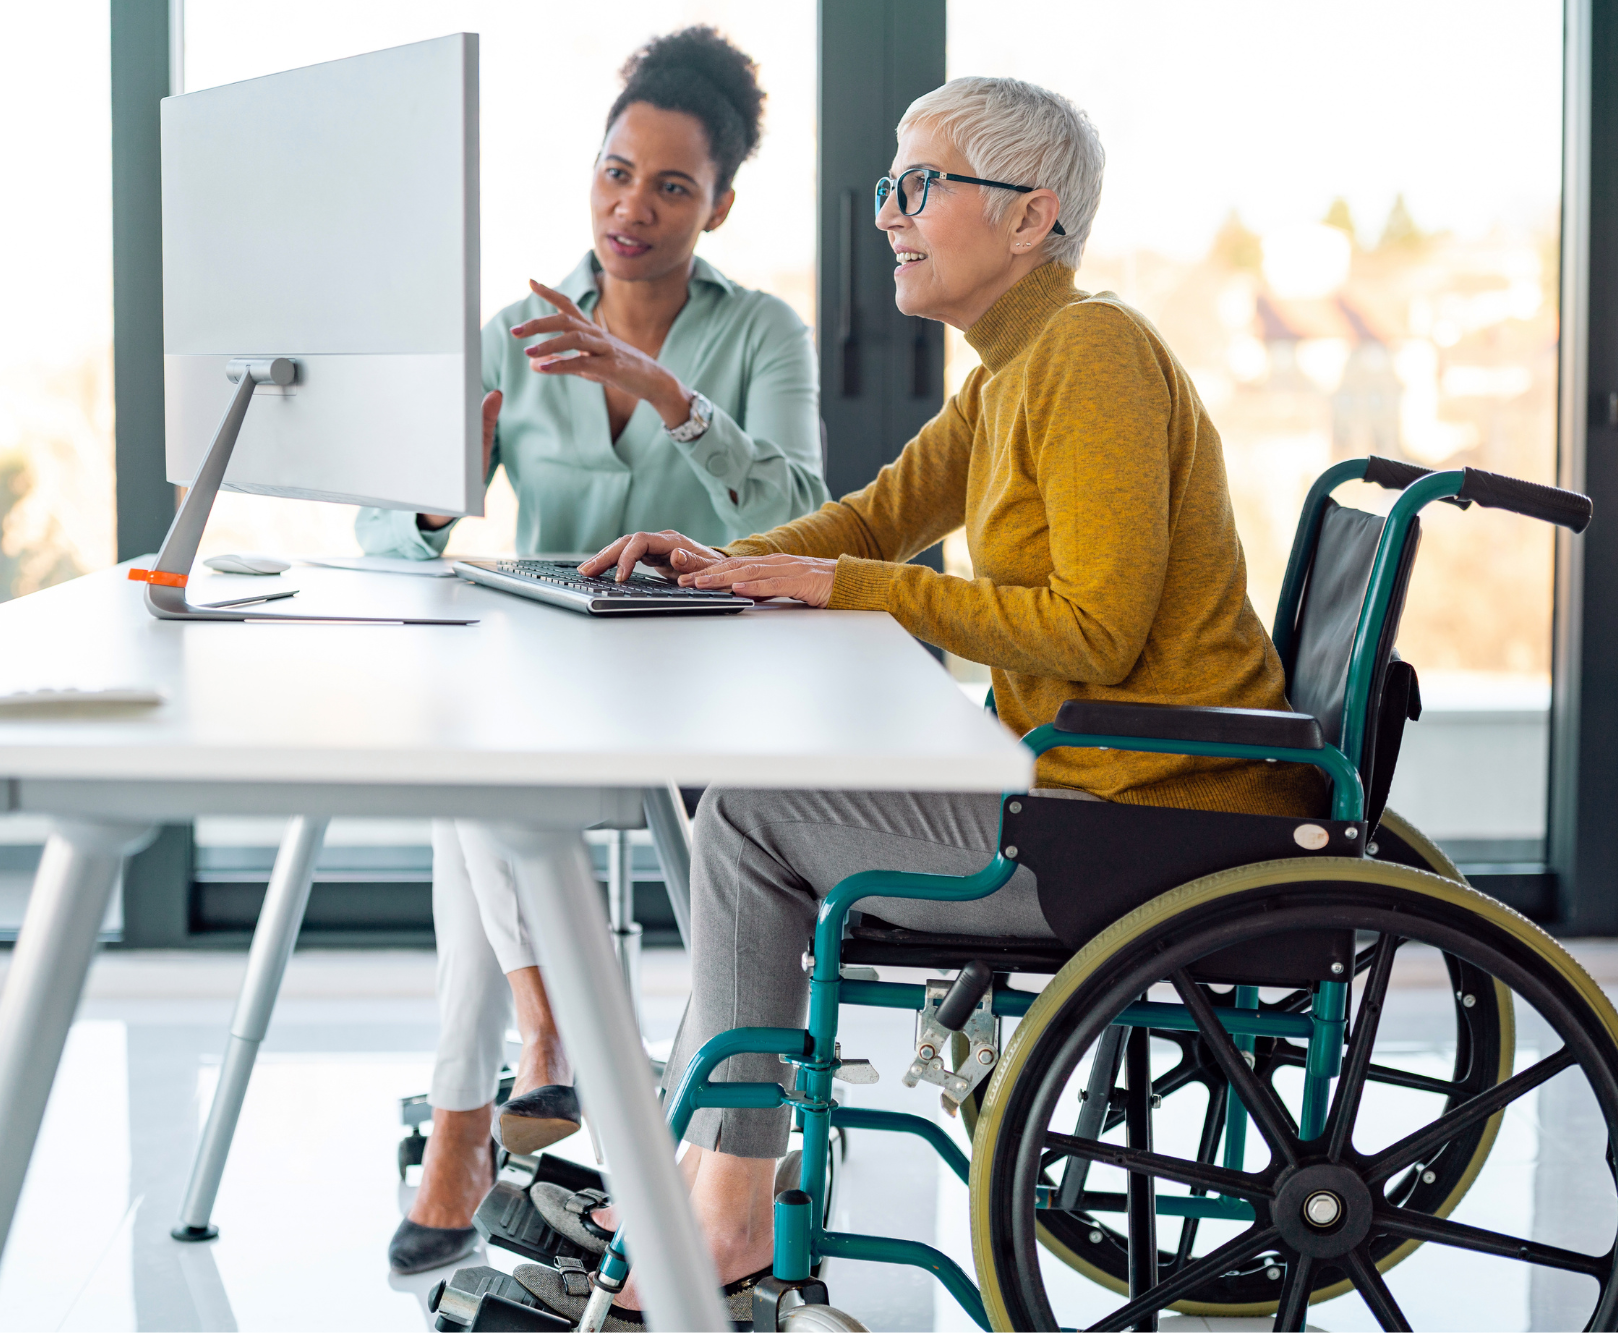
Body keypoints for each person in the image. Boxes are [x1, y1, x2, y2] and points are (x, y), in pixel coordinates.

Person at [551, 75, 1330, 1324]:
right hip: (1087, 788)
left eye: (922, 187)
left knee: (747, 817)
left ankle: (731, 1202)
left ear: (1032, 219)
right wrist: (729, 562)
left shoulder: (1090, 356)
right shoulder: (1006, 373)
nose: (890, 216)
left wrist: (841, 584)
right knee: (747, 799)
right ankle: (701, 1170)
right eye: (889, 189)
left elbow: (1094, 627)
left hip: (1154, 813)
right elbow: (872, 521)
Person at [362, 26, 827, 1277]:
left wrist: (669, 396)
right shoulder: (511, 328)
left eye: (671, 185)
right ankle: (546, 1049)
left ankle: (483, 1109)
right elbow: (384, 534)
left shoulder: (760, 336)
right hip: (542, 672)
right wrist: (429, 498)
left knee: (472, 787)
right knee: (476, 753)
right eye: (616, 172)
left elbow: (797, 524)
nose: (633, 206)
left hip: (704, 687)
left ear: (718, 202)